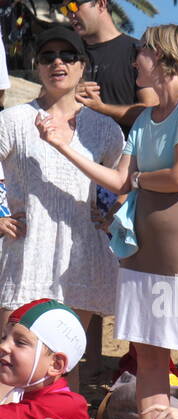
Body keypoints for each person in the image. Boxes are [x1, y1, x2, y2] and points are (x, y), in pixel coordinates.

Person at [39, 25, 178, 419]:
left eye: (141, 52)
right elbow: (119, 180)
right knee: (148, 357)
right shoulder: (145, 118)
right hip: (141, 255)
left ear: (163, 57)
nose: (134, 59)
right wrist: (66, 148)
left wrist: (140, 181)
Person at [0, 27, 122, 392]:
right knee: (9, 360)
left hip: (81, 255)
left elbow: (121, 185)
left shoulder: (105, 129)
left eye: (68, 56)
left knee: (63, 362)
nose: (58, 62)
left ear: (83, 66)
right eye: (48, 56)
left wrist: (111, 214)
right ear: (36, 66)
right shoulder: (13, 121)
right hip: (26, 250)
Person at [62, 0, 158, 134]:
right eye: (65, 9)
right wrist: (66, 93)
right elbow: (44, 95)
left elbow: (151, 111)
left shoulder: (137, 53)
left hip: (124, 153)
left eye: (74, 5)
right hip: (72, 152)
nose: (70, 14)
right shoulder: (65, 55)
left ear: (101, 4)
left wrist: (102, 108)